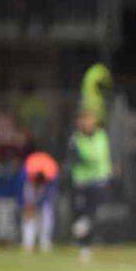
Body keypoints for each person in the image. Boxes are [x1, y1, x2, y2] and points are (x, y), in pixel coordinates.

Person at [66, 109, 112, 261]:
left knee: (92, 213)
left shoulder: (101, 136)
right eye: (84, 120)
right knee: (80, 213)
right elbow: (75, 158)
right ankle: (83, 246)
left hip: (98, 180)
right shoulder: (76, 138)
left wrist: (88, 159)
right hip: (81, 181)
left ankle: (86, 244)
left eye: (90, 119)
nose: (87, 123)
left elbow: (98, 156)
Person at [20, 151, 59, 253]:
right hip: (31, 180)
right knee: (29, 212)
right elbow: (26, 184)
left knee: (47, 212)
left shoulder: (51, 172)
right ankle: (28, 242)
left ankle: (45, 242)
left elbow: (51, 189)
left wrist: (44, 195)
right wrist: (31, 200)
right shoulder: (29, 171)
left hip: (48, 184)